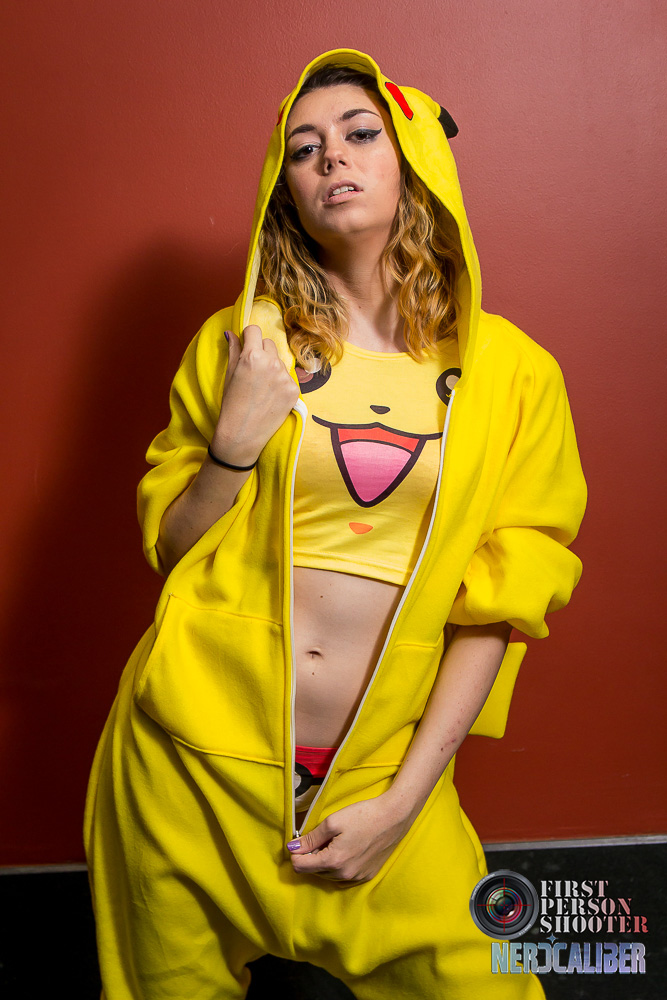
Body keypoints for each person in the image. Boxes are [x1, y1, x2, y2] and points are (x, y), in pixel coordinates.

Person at [84, 48, 586, 999]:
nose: (331, 158)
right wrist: (233, 445)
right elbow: (173, 552)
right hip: (189, 760)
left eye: (359, 133)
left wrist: (403, 804)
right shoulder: (242, 345)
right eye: (303, 147)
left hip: (377, 772)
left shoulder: (514, 375)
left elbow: (500, 605)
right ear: (285, 189)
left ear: (415, 163)